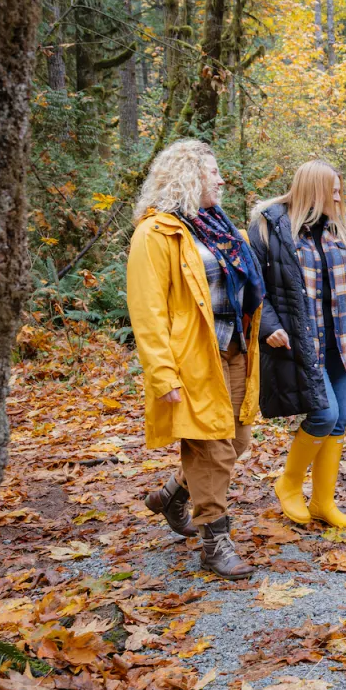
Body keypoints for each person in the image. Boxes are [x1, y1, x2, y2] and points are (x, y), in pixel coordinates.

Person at [128, 139, 264, 579]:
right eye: (211, 173)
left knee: (238, 440)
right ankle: (214, 540)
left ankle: (171, 494)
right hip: (192, 358)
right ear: (186, 176)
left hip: (235, 348)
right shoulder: (156, 232)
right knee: (212, 450)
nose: (221, 179)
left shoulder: (222, 228)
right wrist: (162, 372)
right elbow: (147, 311)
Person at [250, 160, 346, 530]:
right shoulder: (271, 227)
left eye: (339, 189)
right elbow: (253, 285)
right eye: (332, 190)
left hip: (344, 340)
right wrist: (267, 324)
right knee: (324, 415)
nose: (338, 196)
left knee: (339, 421)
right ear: (312, 190)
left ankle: (323, 502)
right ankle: (288, 483)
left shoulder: (342, 227)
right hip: (303, 342)